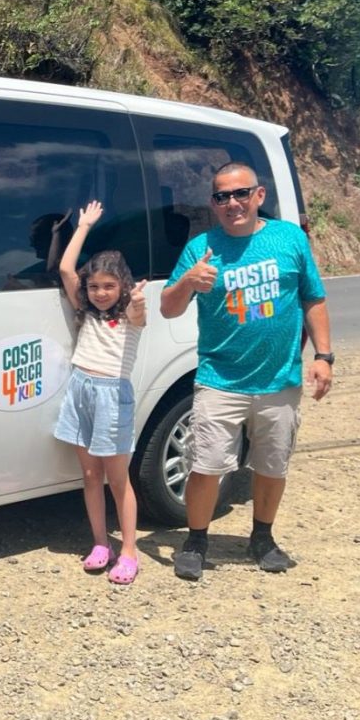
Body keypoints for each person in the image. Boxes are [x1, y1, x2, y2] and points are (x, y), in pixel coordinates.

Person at [159, 162, 333, 581]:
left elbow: (314, 298)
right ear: (213, 204)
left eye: (240, 194)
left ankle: (262, 538)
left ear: (258, 196)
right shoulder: (200, 248)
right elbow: (168, 306)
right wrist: (188, 281)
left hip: (280, 379)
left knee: (273, 466)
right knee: (206, 466)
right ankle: (196, 540)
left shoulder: (288, 238)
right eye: (222, 196)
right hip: (220, 378)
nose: (232, 203)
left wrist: (324, 356)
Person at [53, 200, 147, 585]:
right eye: (94, 286)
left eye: (109, 286)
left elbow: (139, 314)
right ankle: (99, 543)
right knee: (90, 475)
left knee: (118, 478)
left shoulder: (130, 315)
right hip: (81, 389)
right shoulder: (87, 310)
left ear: (123, 286)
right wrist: (84, 226)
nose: (100, 293)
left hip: (112, 394)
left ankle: (128, 550)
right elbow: (64, 268)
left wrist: (138, 302)